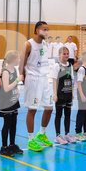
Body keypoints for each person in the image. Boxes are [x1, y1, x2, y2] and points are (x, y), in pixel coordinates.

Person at [19, 21, 54, 151]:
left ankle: (42, 133)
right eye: (44, 30)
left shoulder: (45, 44)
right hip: (33, 79)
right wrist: (22, 76)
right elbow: (22, 62)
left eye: (48, 30)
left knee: (49, 108)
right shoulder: (28, 44)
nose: (46, 32)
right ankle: (31, 139)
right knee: (32, 110)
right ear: (36, 30)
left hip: (44, 79)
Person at [0, 50, 23, 157]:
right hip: (6, 102)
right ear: (13, 60)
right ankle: (4, 147)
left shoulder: (14, 70)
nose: (19, 60)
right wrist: (17, 81)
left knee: (14, 124)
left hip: (13, 100)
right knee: (7, 124)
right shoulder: (5, 72)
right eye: (18, 58)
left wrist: (17, 90)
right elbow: (6, 88)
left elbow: (14, 86)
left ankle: (12, 144)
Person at [51, 47, 76, 144]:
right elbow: (54, 80)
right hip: (60, 94)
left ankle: (67, 134)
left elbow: (71, 80)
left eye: (67, 53)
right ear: (60, 55)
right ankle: (58, 135)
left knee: (68, 115)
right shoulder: (57, 66)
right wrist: (55, 94)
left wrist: (72, 93)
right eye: (64, 53)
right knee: (59, 114)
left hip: (68, 93)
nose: (66, 55)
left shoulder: (70, 65)